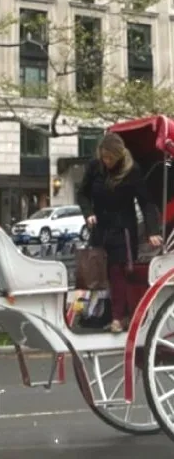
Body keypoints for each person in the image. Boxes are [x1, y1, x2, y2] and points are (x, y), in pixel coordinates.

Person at [77, 132, 162, 334]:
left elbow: (146, 202)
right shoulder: (95, 167)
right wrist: (88, 213)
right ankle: (95, 315)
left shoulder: (132, 171)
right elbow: (83, 193)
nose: (107, 162)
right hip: (99, 227)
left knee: (117, 273)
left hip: (122, 229)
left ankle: (118, 317)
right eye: (104, 157)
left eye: (110, 159)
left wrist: (152, 230)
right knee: (96, 272)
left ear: (119, 156)